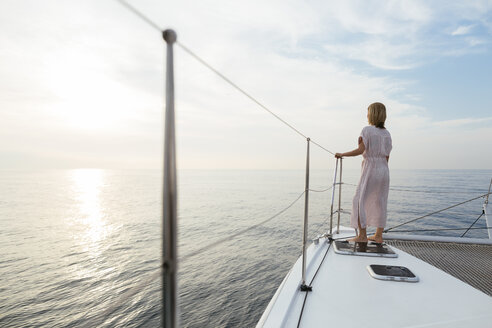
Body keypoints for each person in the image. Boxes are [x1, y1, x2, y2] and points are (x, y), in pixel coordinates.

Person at [335, 102, 392, 244]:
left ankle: (362, 235)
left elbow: (360, 150)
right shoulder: (387, 133)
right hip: (384, 169)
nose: (366, 115)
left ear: (372, 113)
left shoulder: (367, 130)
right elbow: (387, 156)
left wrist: (343, 154)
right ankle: (378, 236)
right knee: (380, 200)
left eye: (368, 112)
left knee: (358, 200)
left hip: (371, 167)